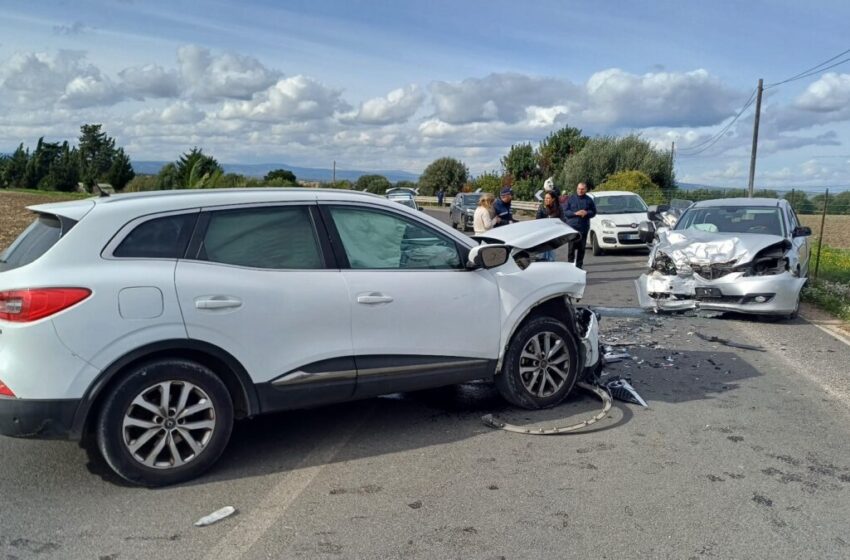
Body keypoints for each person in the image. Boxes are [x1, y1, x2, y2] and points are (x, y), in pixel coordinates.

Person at [563, 182, 596, 269]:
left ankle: (579, 266)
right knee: (571, 249)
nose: (580, 191)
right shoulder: (570, 199)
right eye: (579, 189)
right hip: (572, 228)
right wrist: (575, 213)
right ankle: (570, 266)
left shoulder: (589, 200)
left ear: (585, 190)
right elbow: (565, 212)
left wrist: (586, 213)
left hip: (583, 227)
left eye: (582, 189)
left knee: (581, 249)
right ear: (576, 189)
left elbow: (594, 212)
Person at [535, 190, 564, 261]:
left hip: (553, 234)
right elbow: (537, 220)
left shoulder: (559, 208)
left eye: (548, 198)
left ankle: (550, 264)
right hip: (543, 233)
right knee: (542, 254)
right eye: (545, 198)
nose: (546, 200)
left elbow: (562, 220)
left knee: (551, 254)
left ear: (553, 199)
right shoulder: (542, 207)